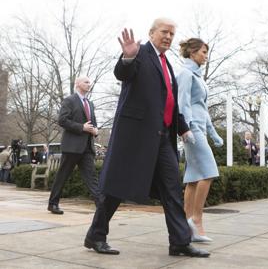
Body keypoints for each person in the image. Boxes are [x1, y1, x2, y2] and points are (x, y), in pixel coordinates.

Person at [84, 18, 209, 257]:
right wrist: (128, 57)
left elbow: (168, 101)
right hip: (135, 137)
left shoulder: (166, 63)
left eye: (172, 34)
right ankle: (96, 235)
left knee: (172, 187)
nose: (168, 37)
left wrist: (183, 127)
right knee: (115, 188)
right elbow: (122, 73)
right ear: (151, 33)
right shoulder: (140, 52)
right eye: (164, 32)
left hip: (162, 137)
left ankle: (180, 242)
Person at [176, 38, 223, 242]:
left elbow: (203, 108)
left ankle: (186, 224)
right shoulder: (186, 74)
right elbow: (182, 102)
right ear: (193, 52)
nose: (206, 55)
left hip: (200, 128)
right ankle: (196, 220)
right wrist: (184, 128)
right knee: (209, 172)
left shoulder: (198, 77)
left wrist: (213, 133)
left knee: (194, 177)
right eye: (203, 52)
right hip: (192, 128)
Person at [47, 76, 100, 215]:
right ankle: (53, 204)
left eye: (90, 82)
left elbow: (93, 123)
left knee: (91, 177)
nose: (89, 84)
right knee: (62, 176)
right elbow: (62, 120)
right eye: (86, 82)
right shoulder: (69, 100)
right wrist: (81, 127)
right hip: (72, 147)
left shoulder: (90, 103)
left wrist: (95, 131)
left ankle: (101, 205)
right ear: (77, 84)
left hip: (87, 147)